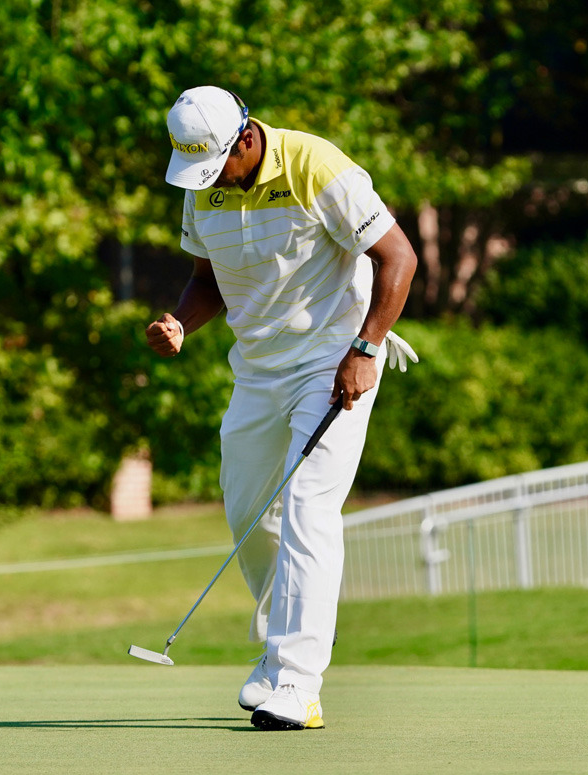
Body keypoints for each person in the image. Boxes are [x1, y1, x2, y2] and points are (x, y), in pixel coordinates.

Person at [145, 86, 418, 730]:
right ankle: (279, 652)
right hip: (257, 368)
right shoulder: (203, 181)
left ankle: (297, 683)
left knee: (306, 506)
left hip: (331, 358)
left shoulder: (315, 165)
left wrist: (365, 347)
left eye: (216, 169)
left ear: (245, 139)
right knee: (247, 510)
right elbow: (205, 281)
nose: (208, 184)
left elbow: (396, 256)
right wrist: (180, 323)